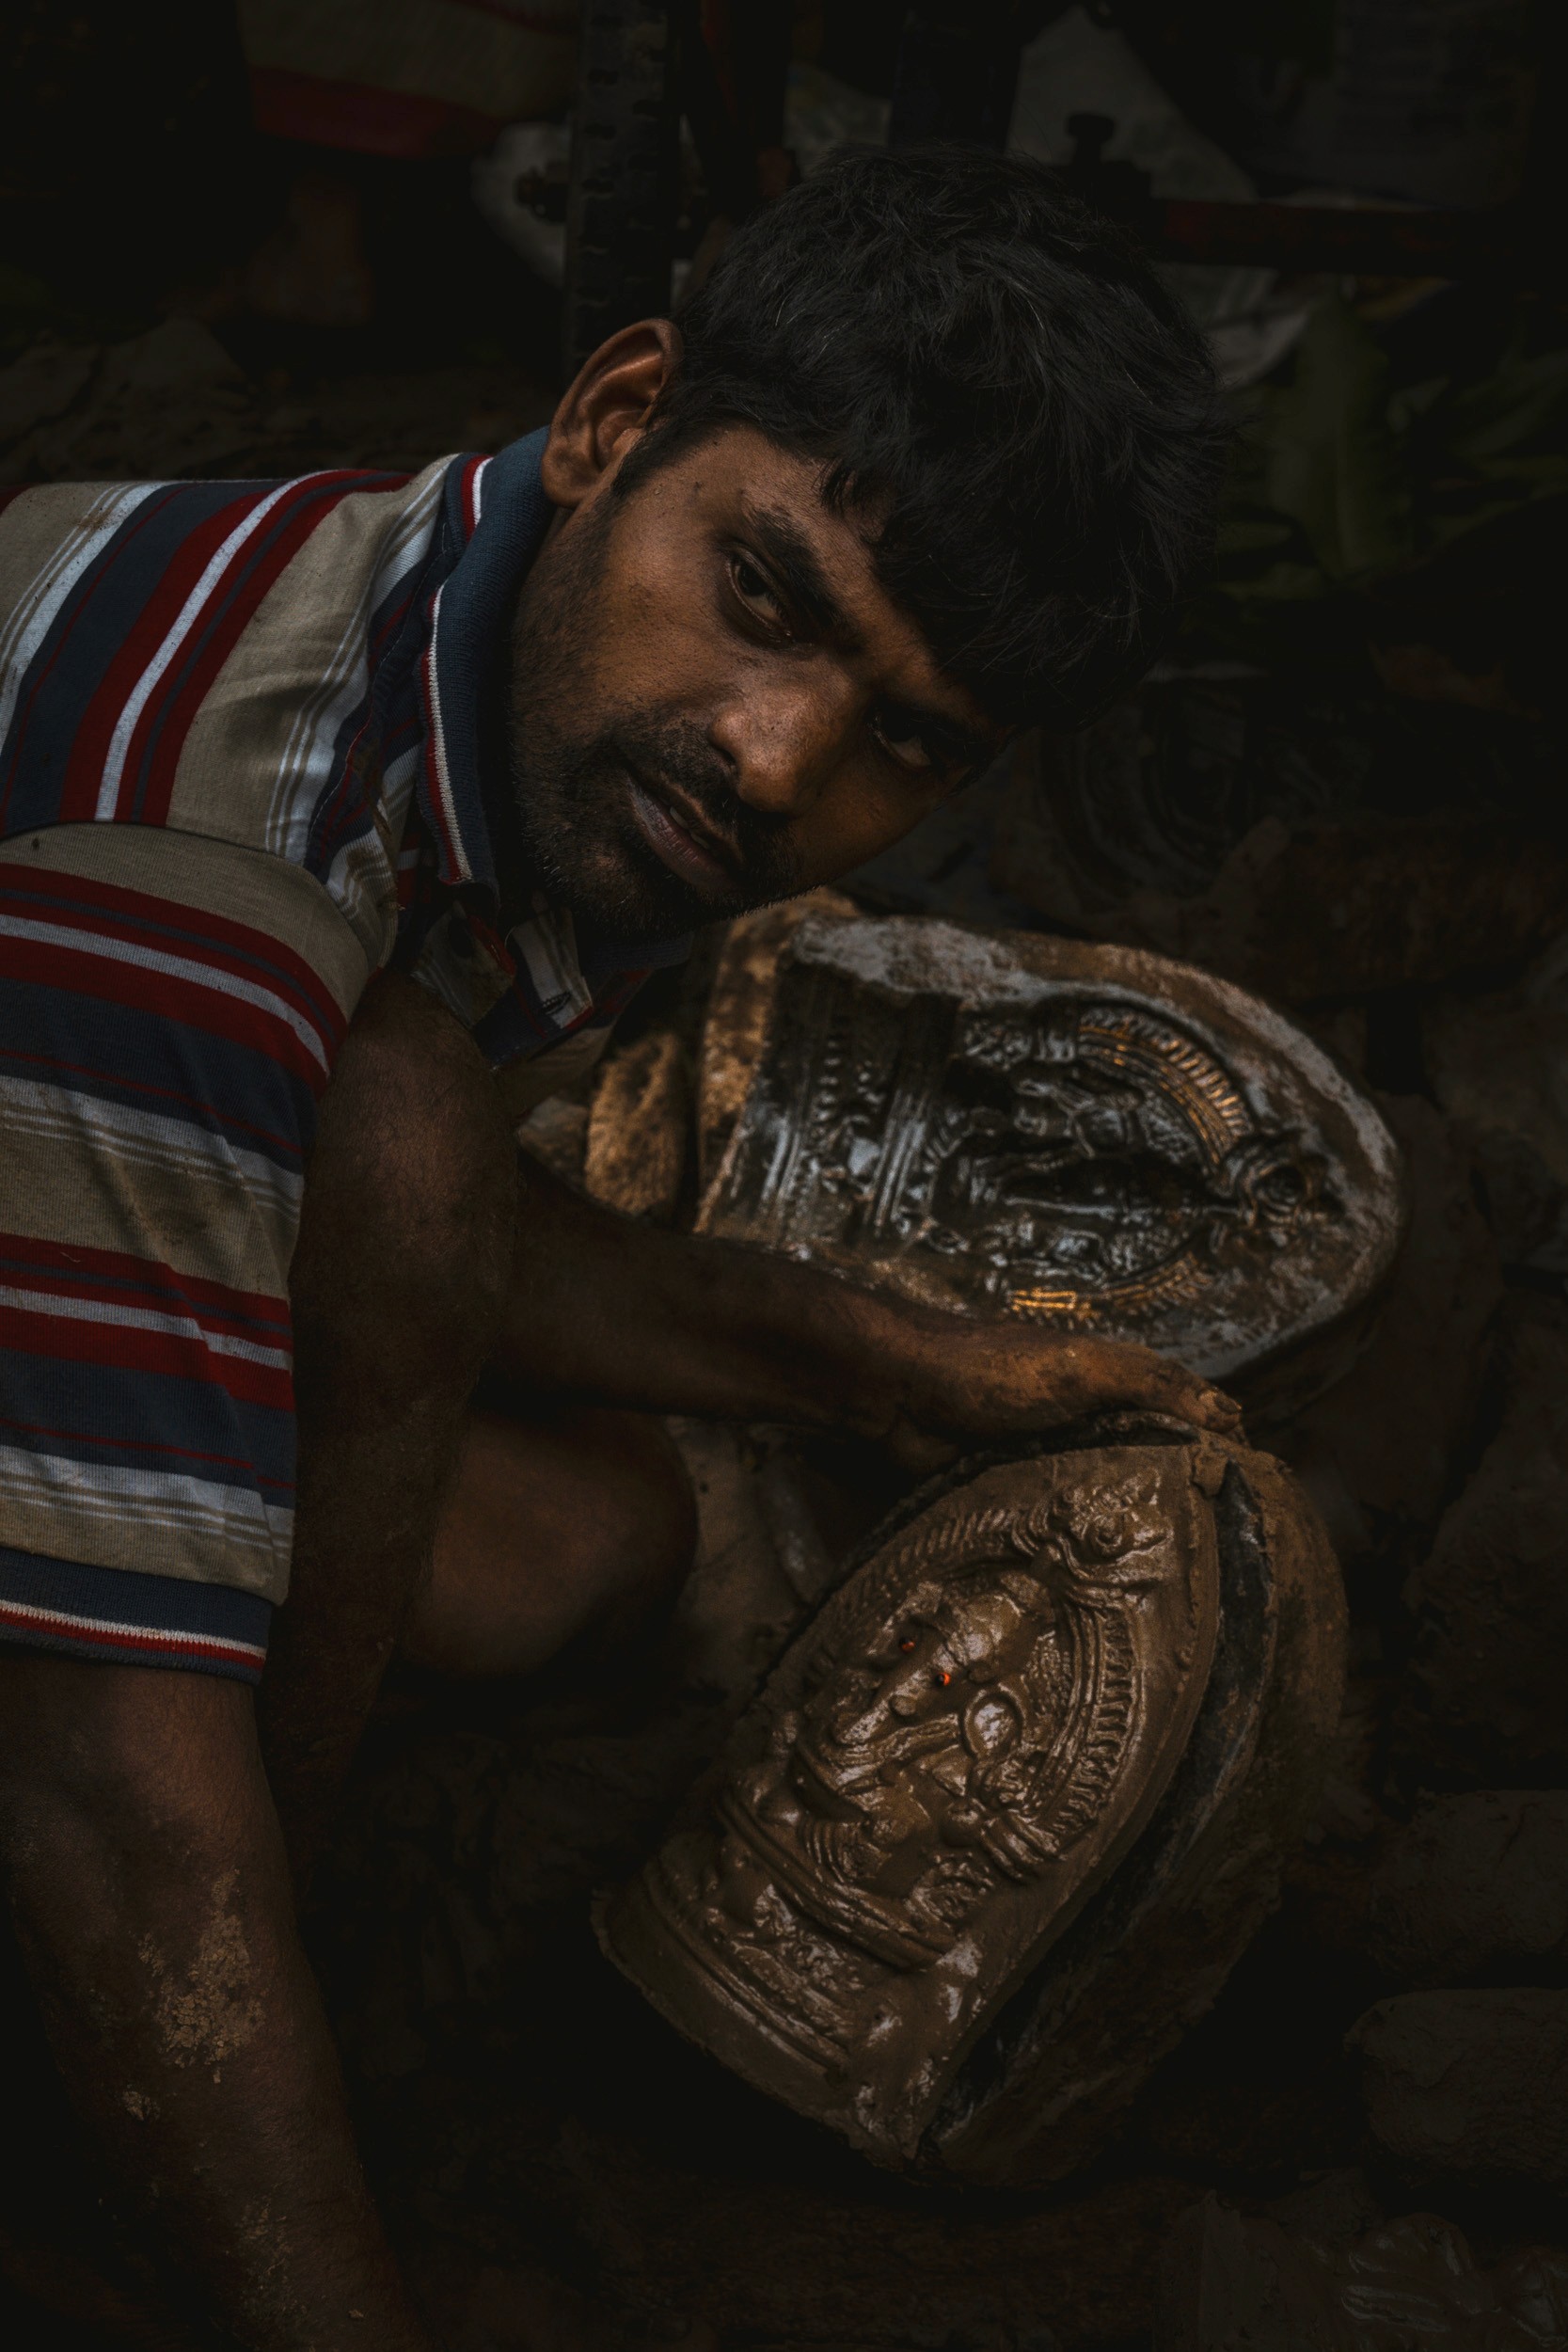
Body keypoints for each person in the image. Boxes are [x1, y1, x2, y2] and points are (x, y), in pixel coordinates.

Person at [0, 148, 1233, 2350]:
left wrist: (895, 1360)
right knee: (392, 1165)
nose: (779, 761)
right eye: (768, 593)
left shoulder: (519, 677)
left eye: (910, 740)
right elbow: (105, 1788)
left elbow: (391, 1201)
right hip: (95, 1120)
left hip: (83, 1170)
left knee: (574, 1512)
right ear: (613, 417)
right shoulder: (202, 832)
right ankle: (83, 2110)